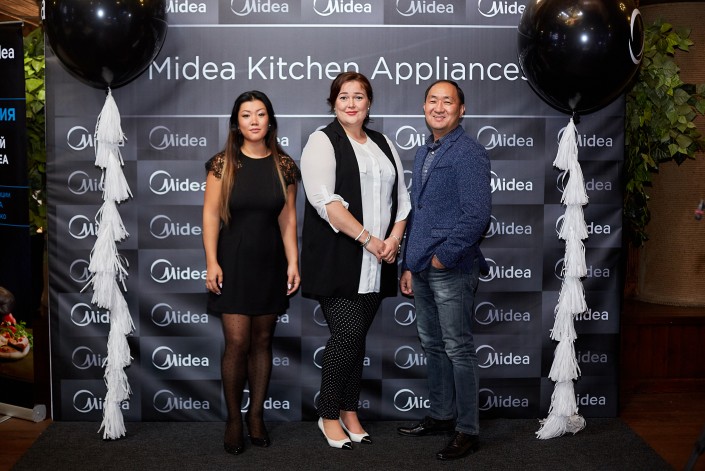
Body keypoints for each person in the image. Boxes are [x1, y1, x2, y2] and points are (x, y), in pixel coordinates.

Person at [300, 72, 411, 450]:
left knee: (356, 339)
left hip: (379, 261)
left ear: (369, 103)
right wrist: (369, 240)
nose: (351, 103)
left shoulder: (383, 142)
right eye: (343, 96)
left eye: (358, 96)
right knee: (347, 334)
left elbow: (402, 200)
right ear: (333, 103)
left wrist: (393, 240)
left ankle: (349, 411)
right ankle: (328, 414)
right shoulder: (322, 140)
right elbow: (324, 201)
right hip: (339, 259)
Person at [397, 80, 491, 461]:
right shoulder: (424, 151)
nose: (439, 107)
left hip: (451, 268)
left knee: (458, 348)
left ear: (461, 110)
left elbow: (477, 216)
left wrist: (443, 257)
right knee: (433, 346)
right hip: (420, 267)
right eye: (432, 101)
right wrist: (409, 264)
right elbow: (418, 215)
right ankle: (440, 415)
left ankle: (467, 430)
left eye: (447, 101)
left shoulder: (469, 152)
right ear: (423, 108)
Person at [202, 90, 301, 455]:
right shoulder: (222, 163)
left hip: (270, 262)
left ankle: (255, 416)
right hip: (233, 262)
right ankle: (233, 420)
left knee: (262, 341)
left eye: (260, 114)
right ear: (237, 123)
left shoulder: (284, 165)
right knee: (237, 343)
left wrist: (293, 261)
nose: (254, 120)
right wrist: (212, 261)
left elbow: (288, 218)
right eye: (246, 115)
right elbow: (210, 214)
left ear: (270, 120)